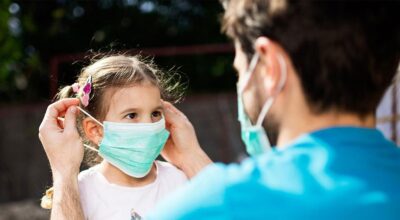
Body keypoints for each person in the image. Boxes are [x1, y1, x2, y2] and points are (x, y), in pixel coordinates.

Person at [38, 0, 400, 219]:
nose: (239, 75)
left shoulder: (212, 206)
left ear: (270, 68)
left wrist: (62, 171)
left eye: (240, 63)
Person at [40, 55, 189, 219]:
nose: (149, 126)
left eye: (155, 113)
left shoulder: (179, 181)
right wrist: (64, 173)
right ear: (96, 130)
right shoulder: (78, 192)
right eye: (132, 115)